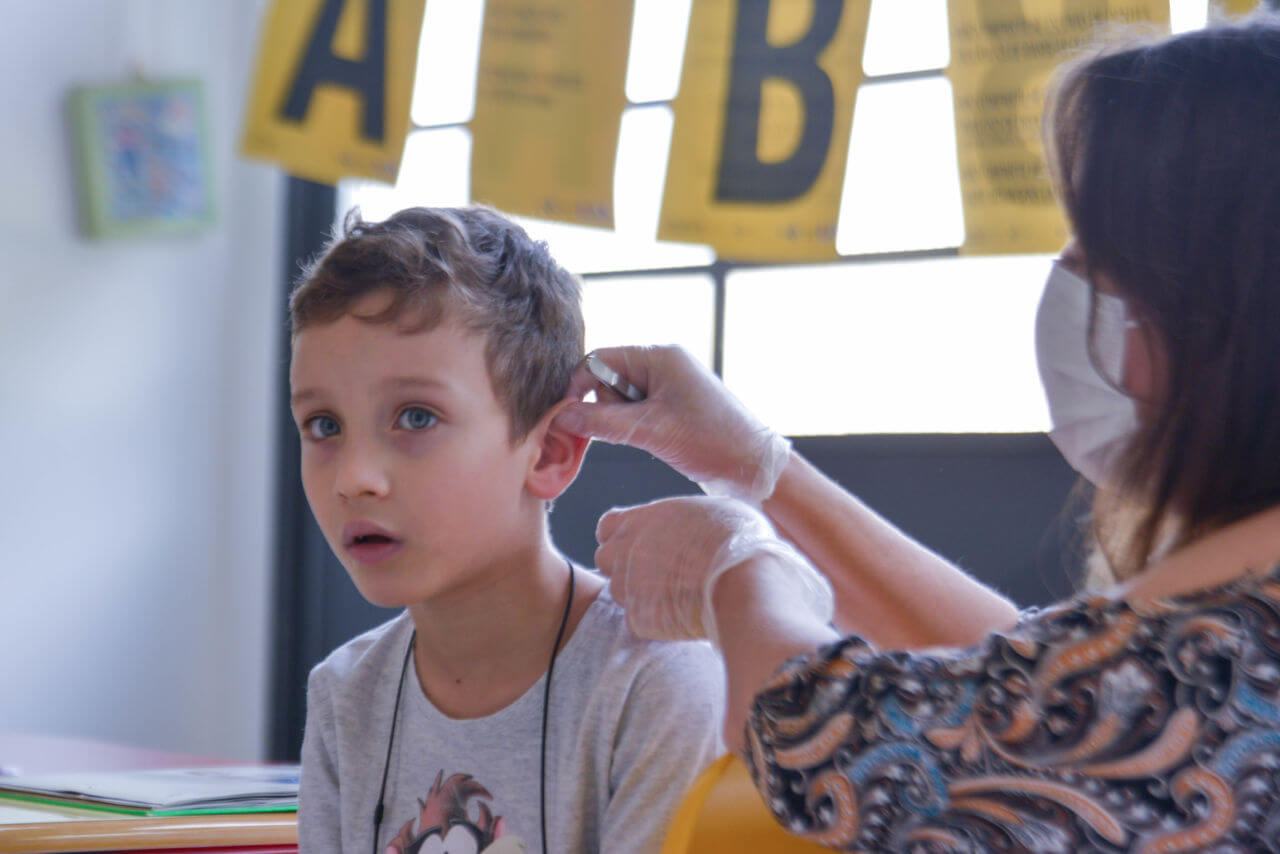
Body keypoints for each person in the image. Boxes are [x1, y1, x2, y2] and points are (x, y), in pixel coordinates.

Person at [561, 15, 1280, 851]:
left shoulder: (1219, 661)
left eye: (1102, 255)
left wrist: (736, 567)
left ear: (1220, 305)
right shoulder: (1190, 645)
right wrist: (757, 467)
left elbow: (847, 743)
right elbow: (1030, 680)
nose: (1072, 281)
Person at [290, 206, 723, 853]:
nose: (355, 477)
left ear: (549, 451)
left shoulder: (651, 682)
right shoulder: (344, 694)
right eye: (324, 425)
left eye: (415, 417)